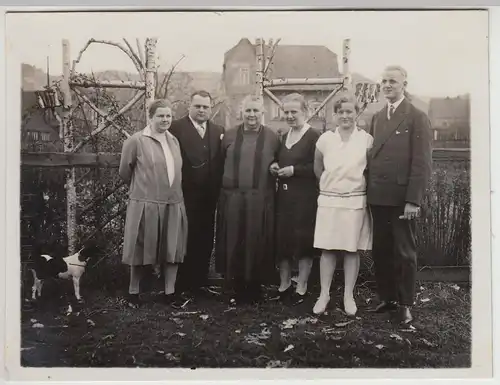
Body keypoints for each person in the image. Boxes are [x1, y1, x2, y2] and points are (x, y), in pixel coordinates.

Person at [367, 65, 432, 324]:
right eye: (383, 81)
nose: (387, 85)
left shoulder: (416, 116)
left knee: (405, 252)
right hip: (378, 196)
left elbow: (422, 162)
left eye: (392, 81)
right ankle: (388, 297)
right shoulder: (378, 116)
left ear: (404, 84)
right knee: (380, 249)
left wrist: (413, 200)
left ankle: (405, 303)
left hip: (402, 198)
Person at [119, 99, 188, 308]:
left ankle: (170, 293)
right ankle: (133, 293)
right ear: (150, 117)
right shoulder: (136, 141)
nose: (165, 119)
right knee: (140, 249)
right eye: (160, 115)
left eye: (168, 116)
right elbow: (125, 172)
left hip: (173, 202)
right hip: (145, 203)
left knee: (172, 248)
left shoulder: (173, 140)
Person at [215, 95, 280, 304]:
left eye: (256, 111)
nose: (252, 115)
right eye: (248, 111)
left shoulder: (272, 137)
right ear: (241, 112)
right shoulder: (229, 135)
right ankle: (234, 286)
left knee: (256, 239)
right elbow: (219, 162)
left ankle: (255, 287)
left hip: (260, 198)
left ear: (263, 113)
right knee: (233, 239)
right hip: (232, 197)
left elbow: (278, 162)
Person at [312, 96, 373, 316]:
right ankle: (324, 294)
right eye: (341, 112)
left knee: (351, 249)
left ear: (357, 114)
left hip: (355, 200)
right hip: (329, 200)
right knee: (327, 248)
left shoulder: (366, 140)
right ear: (334, 115)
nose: (345, 116)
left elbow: (369, 169)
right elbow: (318, 168)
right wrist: (331, 187)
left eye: (350, 112)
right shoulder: (325, 139)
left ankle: (348, 296)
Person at [169, 91, 224, 296]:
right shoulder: (175, 128)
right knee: (184, 236)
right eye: (197, 106)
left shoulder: (218, 130)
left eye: (205, 107)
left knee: (205, 236)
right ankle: (182, 282)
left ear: (210, 108)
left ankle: (200, 280)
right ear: (189, 106)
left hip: (209, 196)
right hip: (184, 194)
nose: (201, 110)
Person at [271, 93, 320, 305]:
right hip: (283, 197)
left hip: (305, 198)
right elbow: (276, 159)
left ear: (305, 112)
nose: (290, 116)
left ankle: (301, 286)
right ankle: (284, 285)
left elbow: (318, 168)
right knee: (283, 241)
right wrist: (274, 166)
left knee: (303, 242)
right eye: (287, 112)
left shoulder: (315, 136)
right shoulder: (283, 136)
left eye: (294, 112)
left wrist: (294, 170)